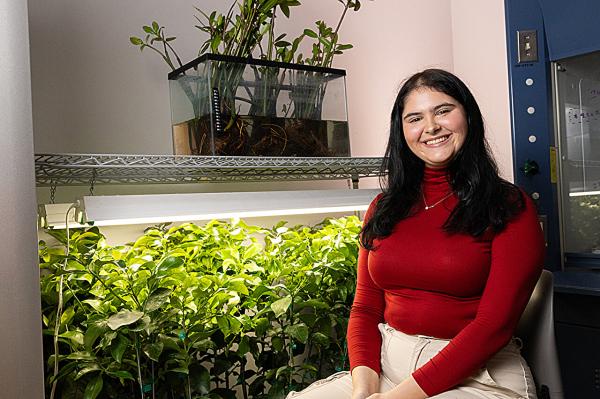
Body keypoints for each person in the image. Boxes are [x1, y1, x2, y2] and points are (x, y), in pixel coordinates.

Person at [286, 69, 545, 399]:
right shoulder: (383, 207)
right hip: (388, 370)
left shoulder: (509, 206)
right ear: (402, 131)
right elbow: (365, 309)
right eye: (415, 118)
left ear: (468, 115)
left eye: (443, 110)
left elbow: (492, 327)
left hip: (480, 377)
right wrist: (363, 391)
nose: (431, 127)